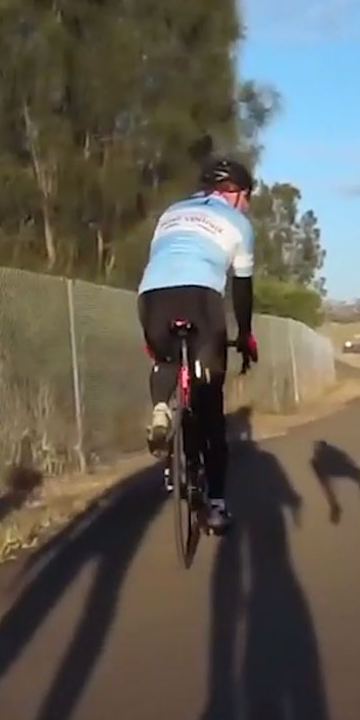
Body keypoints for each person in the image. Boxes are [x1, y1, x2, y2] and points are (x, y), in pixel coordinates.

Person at [136, 156, 259, 533]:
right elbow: (242, 291)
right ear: (236, 193)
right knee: (210, 408)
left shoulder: (172, 212)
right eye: (248, 195)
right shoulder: (239, 223)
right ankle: (217, 506)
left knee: (167, 358)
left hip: (151, 298)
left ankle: (160, 409)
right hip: (200, 298)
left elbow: (162, 259)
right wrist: (245, 334)